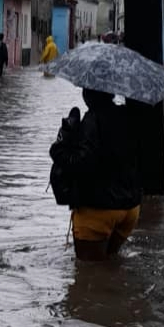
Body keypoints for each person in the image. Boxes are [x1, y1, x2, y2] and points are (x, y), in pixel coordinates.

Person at [49, 89, 142, 262]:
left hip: (98, 210)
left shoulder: (92, 120)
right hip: (130, 209)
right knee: (111, 266)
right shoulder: (127, 115)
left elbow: (81, 162)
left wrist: (58, 147)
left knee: (88, 276)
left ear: (89, 96)